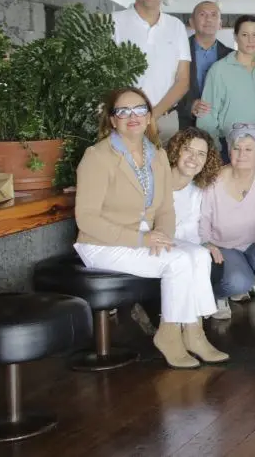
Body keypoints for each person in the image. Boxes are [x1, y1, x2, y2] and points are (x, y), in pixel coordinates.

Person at [73, 88, 224, 369]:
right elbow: (87, 219)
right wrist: (141, 239)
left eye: (140, 109)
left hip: (145, 237)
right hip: (101, 244)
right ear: (112, 119)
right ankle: (168, 335)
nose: (133, 116)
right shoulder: (97, 156)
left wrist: (162, 237)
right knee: (179, 260)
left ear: (149, 116)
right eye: (123, 111)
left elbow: (166, 208)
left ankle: (194, 334)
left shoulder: (156, 155)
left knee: (199, 256)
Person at [200, 124, 255, 321]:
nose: (242, 154)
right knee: (238, 283)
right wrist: (207, 243)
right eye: (236, 148)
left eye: (249, 149)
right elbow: (203, 219)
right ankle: (219, 295)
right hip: (224, 245)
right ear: (229, 151)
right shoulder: (213, 180)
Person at [112, 0, 190, 143]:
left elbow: (183, 80)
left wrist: (152, 116)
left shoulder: (175, 26)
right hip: (124, 119)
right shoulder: (114, 22)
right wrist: (137, 116)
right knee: (123, 169)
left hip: (165, 119)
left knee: (165, 169)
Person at [197, 15, 255, 155]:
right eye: (244, 35)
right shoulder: (219, 69)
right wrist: (213, 148)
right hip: (227, 146)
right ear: (236, 37)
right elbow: (207, 113)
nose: (251, 40)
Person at [177, 1, 231, 130]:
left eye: (214, 15)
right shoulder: (176, 53)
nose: (208, 19)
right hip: (187, 126)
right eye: (202, 14)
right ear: (191, 22)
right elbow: (166, 87)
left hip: (222, 128)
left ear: (220, 24)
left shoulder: (231, 56)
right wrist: (190, 105)